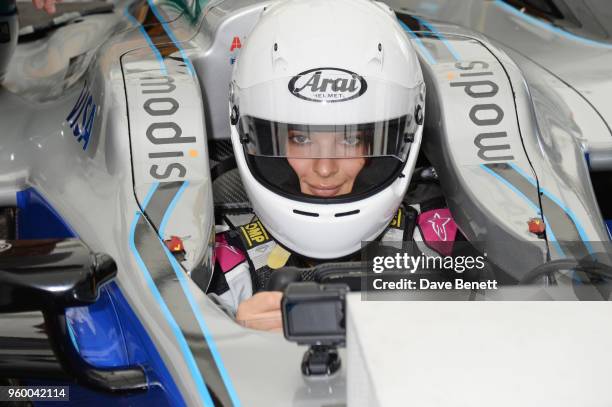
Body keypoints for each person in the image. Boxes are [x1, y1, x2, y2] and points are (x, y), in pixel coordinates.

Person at [208, 0, 435, 331]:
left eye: (349, 140)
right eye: (301, 139)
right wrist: (228, 331)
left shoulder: (432, 234)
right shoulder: (228, 259)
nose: (325, 168)